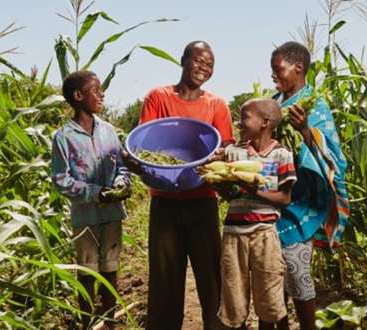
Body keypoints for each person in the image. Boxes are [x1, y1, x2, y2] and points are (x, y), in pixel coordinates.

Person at [124, 40, 234, 330]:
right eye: (198, 61)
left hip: (203, 198)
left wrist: (221, 155)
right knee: (165, 276)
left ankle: (217, 325)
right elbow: (146, 143)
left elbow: (226, 146)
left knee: (211, 274)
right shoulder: (158, 97)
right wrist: (137, 164)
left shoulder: (217, 104)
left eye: (209, 65)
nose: (203, 68)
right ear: (183, 59)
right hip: (165, 199)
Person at [270, 41, 350, 330]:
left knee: (296, 268)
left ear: (298, 67)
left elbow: (334, 157)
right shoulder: (273, 101)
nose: (273, 75)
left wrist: (304, 131)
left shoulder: (315, 104)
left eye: (278, 69)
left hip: (301, 205)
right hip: (271, 200)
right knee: (273, 279)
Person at [51, 70, 131, 330]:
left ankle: (109, 324)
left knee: (110, 270)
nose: (102, 94)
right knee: (87, 273)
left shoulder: (109, 131)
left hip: (112, 215)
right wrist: (95, 192)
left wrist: (121, 184)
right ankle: (87, 324)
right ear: (78, 96)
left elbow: (121, 165)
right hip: (84, 218)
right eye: (95, 90)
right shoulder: (63, 137)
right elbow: (61, 180)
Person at [214, 98, 297, 330]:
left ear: (265, 122)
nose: (239, 123)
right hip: (233, 234)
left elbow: (284, 198)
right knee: (233, 294)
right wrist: (215, 180)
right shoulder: (233, 153)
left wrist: (256, 190)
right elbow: (230, 195)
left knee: (268, 295)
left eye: (244, 118)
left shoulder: (282, 155)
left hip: (265, 235)